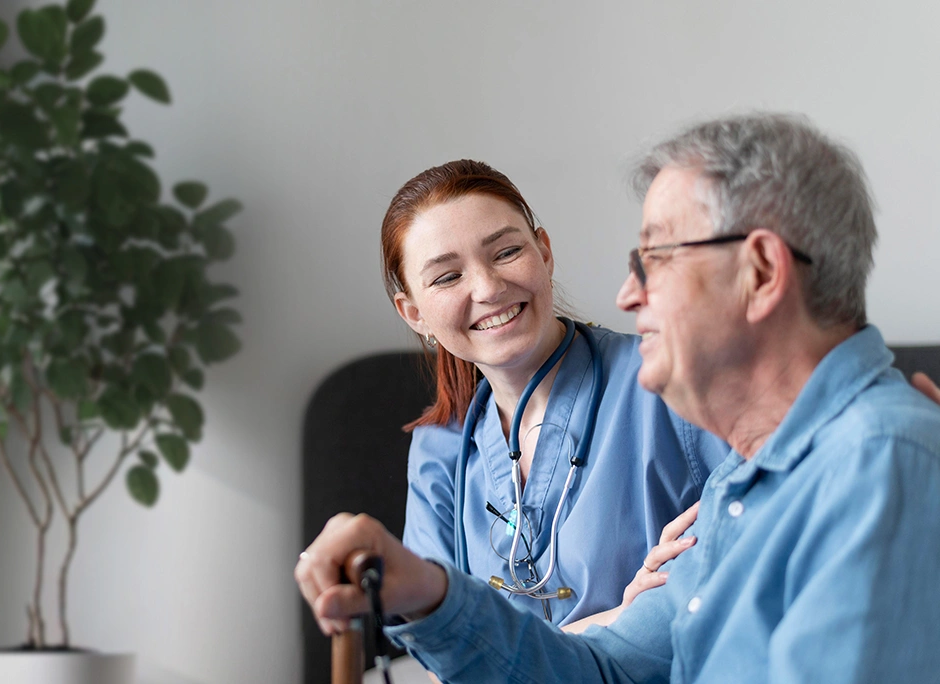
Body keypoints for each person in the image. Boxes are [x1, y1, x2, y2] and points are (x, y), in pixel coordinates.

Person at [297, 112, 940, 682]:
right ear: (411, 310)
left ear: (762, 273)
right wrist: (429, 593)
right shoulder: (746, 487)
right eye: (447, 274)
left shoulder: (880, 459)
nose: (627, 296)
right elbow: (605, 671)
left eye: (655, 258)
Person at [380, 159, 729, 631]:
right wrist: (617, 620)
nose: (487, 288)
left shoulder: (669, 380)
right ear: (414, 314)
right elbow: (440, 651)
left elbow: (764, 550)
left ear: (543, 253)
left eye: (505, 252)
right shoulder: (440, 449)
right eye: (447, 277)